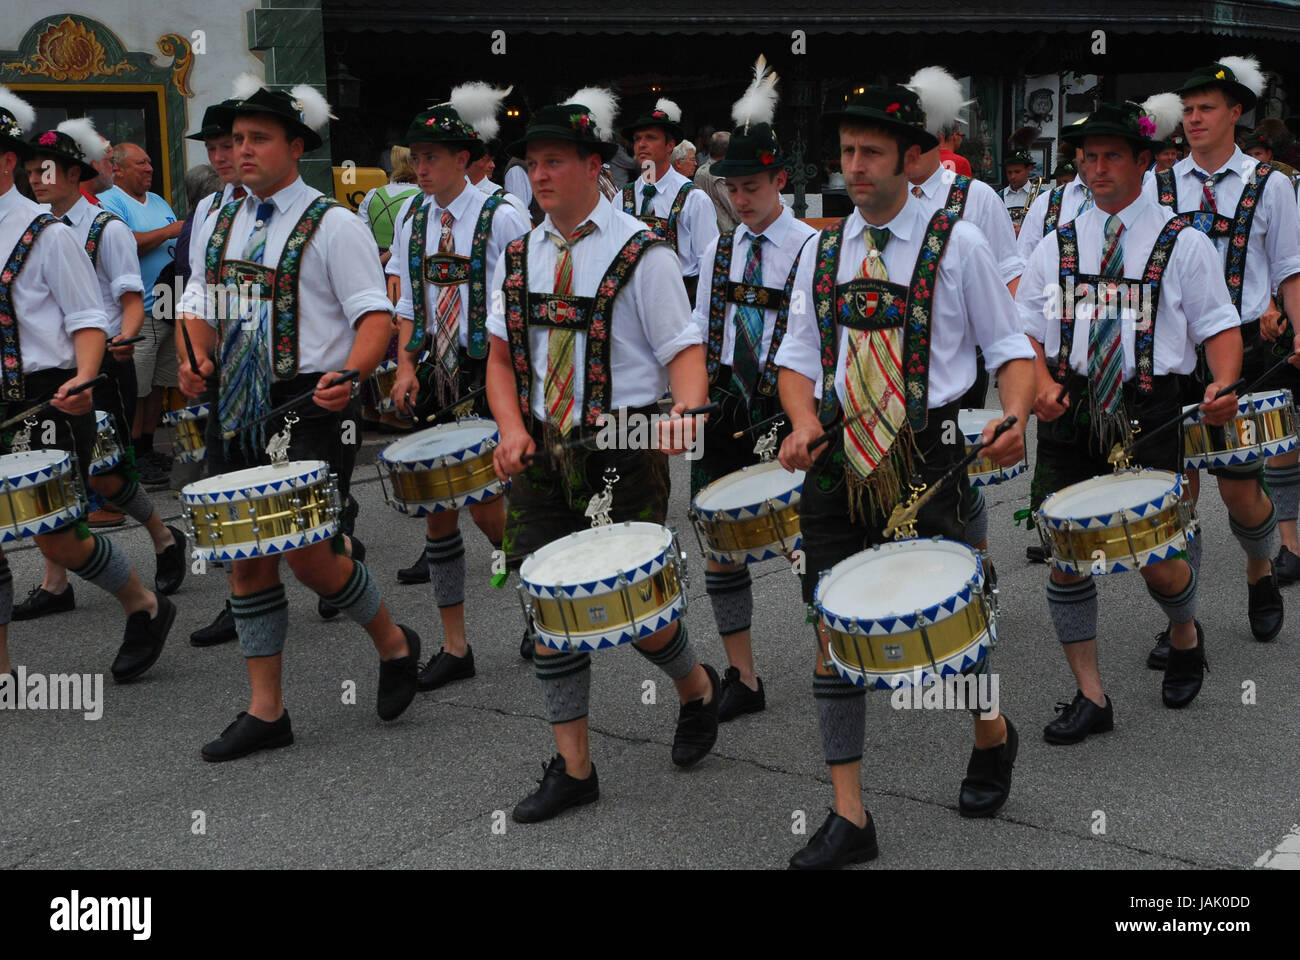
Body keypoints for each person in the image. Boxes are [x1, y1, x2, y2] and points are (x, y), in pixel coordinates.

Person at [774, 82, 1035, 869]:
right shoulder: (821, 251)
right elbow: (796, 359)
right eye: (847, 152)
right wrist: (802, 420)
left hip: (931, 459)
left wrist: (1013, 418)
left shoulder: (960, 245)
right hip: (841, 462)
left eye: (871, 153)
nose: (854, 167)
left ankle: (991, 730)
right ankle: (850, 817)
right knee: (834, 630)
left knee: (947, 637)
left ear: (911, 158)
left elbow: (1011, 351)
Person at [485, 89, 720, 823]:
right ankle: (575, 767)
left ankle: (696, 689)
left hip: (623, 446)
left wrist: (685, 410)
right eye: (532, 163)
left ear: (594, 165)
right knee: (548, 603)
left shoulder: (641, 252)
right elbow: (499, 357)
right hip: (543, 448)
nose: (540, 174)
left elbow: (683, 351)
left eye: (555, 160)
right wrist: (509, 429)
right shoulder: (519, 252)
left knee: (639, 613)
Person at [176, 79, 421, 761]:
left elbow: (373, 315)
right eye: (236, 139)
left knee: (311, 558)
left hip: (312, 402)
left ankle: (395, 644)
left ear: (295, 147)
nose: (242, 150)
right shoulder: (216, 215)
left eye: (258, 139)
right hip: (237, 403)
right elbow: (197, 296)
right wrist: (195, 352)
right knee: (244, 558)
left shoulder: (333, 223)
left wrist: (352, 372)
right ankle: (267, 711)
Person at [1019, 100, 1242, 742]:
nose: (1096, 168)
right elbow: (1028, 331)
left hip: (1149, 408)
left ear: (1146, 162)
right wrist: (1040, 380)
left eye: (1112, 155)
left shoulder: (1184, 241)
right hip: (1073, 408)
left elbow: (1219, 328)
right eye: (1088, 157)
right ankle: (1091, 695)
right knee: (1067, 556)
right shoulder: (1058, 243)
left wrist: (1223, 383)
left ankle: (1184, 631)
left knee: (1154, 556)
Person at [0, 86, 175, 690]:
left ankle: (143, 603)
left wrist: (82, 379)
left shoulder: (48, 233)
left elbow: (86, 318)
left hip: (47, 392)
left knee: (57, 533)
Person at [1144, 56, 1299, 653]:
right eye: (1187, 110)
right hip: (1174, 356)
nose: (1194, 119)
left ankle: (1261, 574)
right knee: (1175, 497)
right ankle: (1182, 620)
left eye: (1206, 108)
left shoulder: (1272, 184)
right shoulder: (1158, 185)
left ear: (1237, 112)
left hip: (1245, 350)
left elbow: (1289, 269)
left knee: (1238, 490)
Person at [384, 83, 530, 685]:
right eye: (416, 157)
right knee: (437, 507)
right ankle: (455, 645)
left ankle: (537, 610)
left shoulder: (503, 215)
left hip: (484, 373)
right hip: (432, 374)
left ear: (464, 161)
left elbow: (520, 303)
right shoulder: (411, 217)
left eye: (432, 157)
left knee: (490, 506)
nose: (420, 168)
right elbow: (405, 299)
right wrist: (404, 364)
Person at [688, 56, 817, 722]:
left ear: (779, 181)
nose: (740, 199)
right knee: (719, 542)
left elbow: (817, 345)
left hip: (784, 409)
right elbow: (702, 326)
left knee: (805, 543)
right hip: (725, 407)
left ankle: (833, 656)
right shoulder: (722, 249)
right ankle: (744, 673)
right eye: (732, 188)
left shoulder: (811, 250)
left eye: (751, 187)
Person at [905, 66, 1024, 420]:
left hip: (960, 357)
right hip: (889, 358)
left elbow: (1009, 275)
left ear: (936, 139)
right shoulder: (879, 201)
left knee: (958, 457)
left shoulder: (977, 197)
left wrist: (1010, 362)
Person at [99, 142, 181, 489]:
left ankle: (148, 448)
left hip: (166, 306)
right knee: (137, 389)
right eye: (141, 163)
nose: (150, 168)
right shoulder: (112, 200)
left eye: (150, 161)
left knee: (158, 387)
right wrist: (170, 231)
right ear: (117, 168)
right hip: (139, 310)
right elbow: (124, 241)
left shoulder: (159, 200)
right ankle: (132, 456)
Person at [616, 97, 719, 302]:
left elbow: (710, 266)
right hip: (631, 303)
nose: (642, 144)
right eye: (637, 139)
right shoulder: (622, 199)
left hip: (681, 302)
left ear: (670, 145)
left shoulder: (694, 199)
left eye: (650, 137)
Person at [355, 144, 420, 266]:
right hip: (404, 266)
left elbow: (360, 234)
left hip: (373, 262)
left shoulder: (373, 194)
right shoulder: (421, 198)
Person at [694, 129, 740, 235]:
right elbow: (736, 211)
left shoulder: (700, 170)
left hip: (707, 233)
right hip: (725, 236)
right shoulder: (719, 176)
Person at [1000, 126, 1039, 234]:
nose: (1012, 176)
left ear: (1029, 169)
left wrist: (1024, 232)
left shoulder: (1041, 196)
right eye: (1009, 172)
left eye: (1017, 172)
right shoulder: (998, 197)